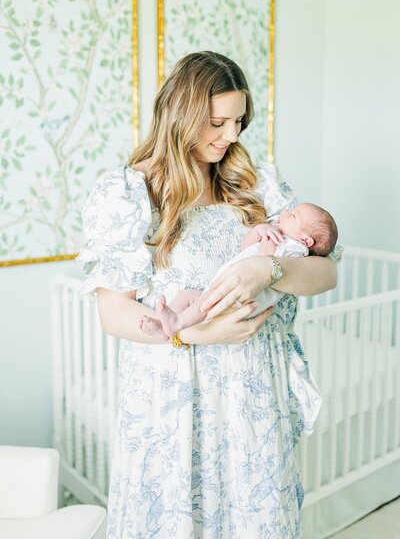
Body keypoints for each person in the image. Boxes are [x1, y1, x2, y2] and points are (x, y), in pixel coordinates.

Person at [77, 51, 339, 539]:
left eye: (239, 120)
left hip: (253, 392)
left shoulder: (256, 185)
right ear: (181, 115)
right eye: (218, 122)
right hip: (173, 391)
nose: (232, 135)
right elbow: (113, 313)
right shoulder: (130, 193)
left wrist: (269, 267)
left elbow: (327, 275)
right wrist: (197, 334)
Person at [138, 203, 338, 342]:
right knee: (190, 296)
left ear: (306, 241)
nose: (285, 213)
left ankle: (178, 321)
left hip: (241, 296)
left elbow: (262, 262)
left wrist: (268, 241)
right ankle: (167, 326)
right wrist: (259, 231)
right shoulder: (278, 236)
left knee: (204, 303)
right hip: (229, 287)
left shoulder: (295, 249)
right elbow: (245, 249)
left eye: (292, 215)